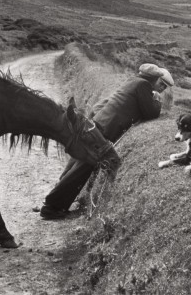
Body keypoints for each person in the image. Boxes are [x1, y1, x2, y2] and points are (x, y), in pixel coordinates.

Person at [40, 63, 174, 219]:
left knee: (77, 163)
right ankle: (51, 207)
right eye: (161, 83)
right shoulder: (143, 85)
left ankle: (54, 201)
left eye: (165, 87)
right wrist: (157, 101)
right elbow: (151, 113)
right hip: (107, 129)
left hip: (99, 123)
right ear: (153, 78)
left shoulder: (134, 81)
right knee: (82, 169)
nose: (162, 88)